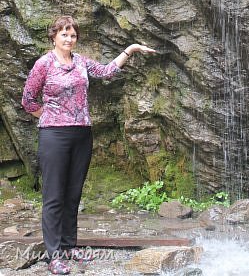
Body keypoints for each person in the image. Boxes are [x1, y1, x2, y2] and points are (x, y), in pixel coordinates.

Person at [22, 15, 156, 275]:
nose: (69, 39)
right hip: (54, 136)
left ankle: (69, 246)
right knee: (54, 197)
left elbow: (107, 72)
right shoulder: (44, 64)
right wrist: (50, 116)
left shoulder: (81, 62)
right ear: (54, 37)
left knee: (73, 194)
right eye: (64, 34)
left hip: (82, 134)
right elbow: (28, 100)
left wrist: (131, 50)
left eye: (72, 35)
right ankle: (54, 255)